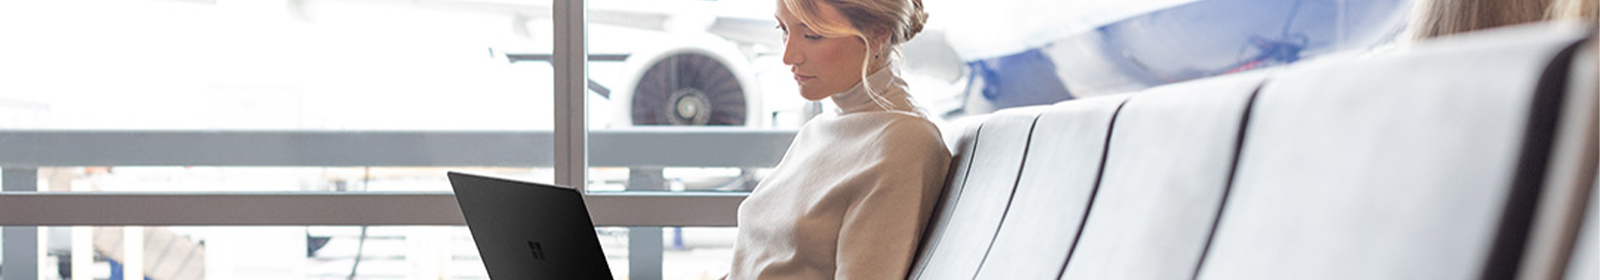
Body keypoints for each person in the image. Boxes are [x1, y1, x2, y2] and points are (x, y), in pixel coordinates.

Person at [725, 0, 949, 279]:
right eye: (782, 29)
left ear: (878, 34)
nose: (788, 55)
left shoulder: (904, 142)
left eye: (812, 35)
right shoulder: (820, 129)